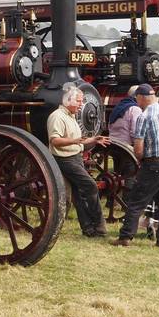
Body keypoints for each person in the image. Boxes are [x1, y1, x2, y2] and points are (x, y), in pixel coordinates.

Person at [112, 85, 159, 247]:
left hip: (155, 163)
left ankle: (125, 237)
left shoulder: (144, 117)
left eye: (137, 99)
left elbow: (139, 148)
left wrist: (140, 159)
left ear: (140, 98)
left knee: (136, 200)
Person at [47, 82, 108, 237]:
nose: (82, 105)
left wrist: (94, 139)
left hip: (75, 157)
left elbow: (78, 140)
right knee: (91, 186)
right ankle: (99, 227)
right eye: (79, 101)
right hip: (65, 159)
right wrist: (73, 141)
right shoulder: (57, 117)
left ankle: (89, 229)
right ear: (68, 101)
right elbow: (55, 141)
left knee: (78, 195)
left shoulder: (71, 116)